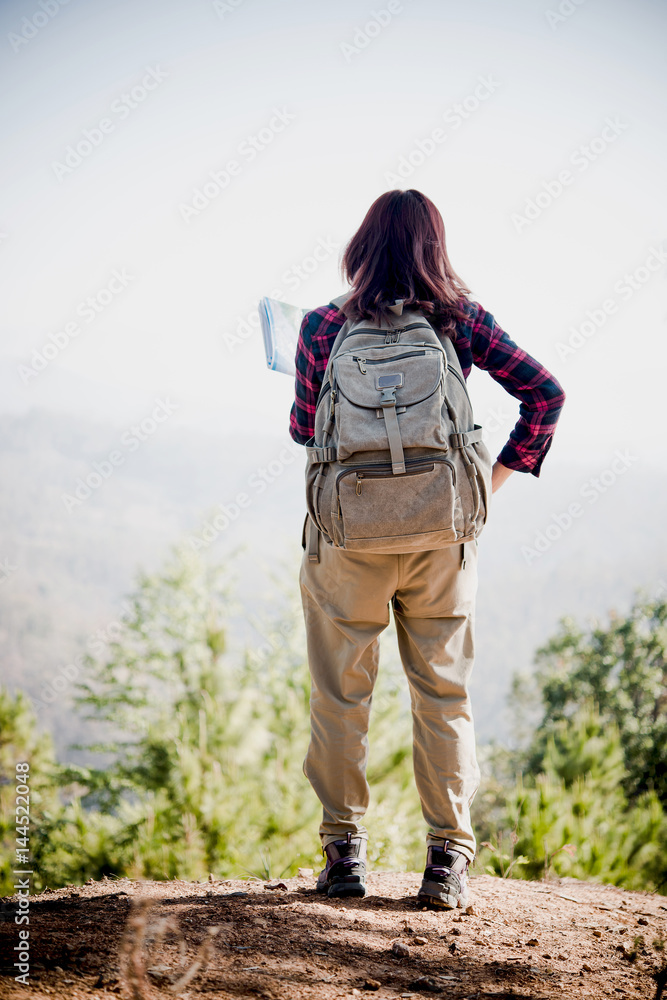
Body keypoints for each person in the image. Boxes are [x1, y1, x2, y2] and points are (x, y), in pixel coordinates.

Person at [288, 189, 565, 908]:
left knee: (340, 696)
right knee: (443, 694)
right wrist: (488, 487)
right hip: (444, 537)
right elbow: (544, 393)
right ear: (434, 247)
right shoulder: (460, 319)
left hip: (347, 540)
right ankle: (447, 861)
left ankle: (342, 853)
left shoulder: (323, 324)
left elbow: (299, 430)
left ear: (360, 245)